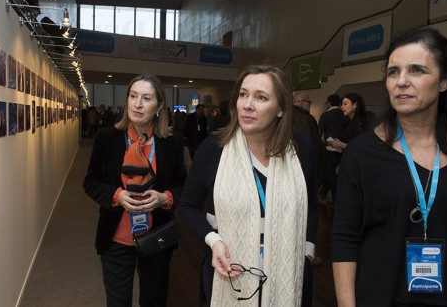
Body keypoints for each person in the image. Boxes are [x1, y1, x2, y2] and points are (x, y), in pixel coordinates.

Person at [331, 27, 447, 306]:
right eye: (393, 72)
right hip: (378, 296)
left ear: (445, 80)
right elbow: (345, 238)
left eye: (417, 70)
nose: (401, 81)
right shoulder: (362, 152)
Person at [179, 65, 319, 306]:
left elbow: (312, 207)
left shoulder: (300, 150)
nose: (247, 104)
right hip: (228, 270)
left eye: (261, 97)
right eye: (243, 94)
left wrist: (305, 253)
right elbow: (187, 206)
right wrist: (213, 241)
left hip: (288, 272)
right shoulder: (214, 149)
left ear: (280, 109)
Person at [83, 74, 187, 307]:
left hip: (156, 238)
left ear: (159, 106)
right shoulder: (107, 137)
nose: (138, 104)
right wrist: (116, 195)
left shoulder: (171, 142)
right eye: (133, 96)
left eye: (146, 98)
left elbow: (183, 186)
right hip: (116, 238)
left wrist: (165, 198)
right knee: (118, 302)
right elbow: (91, 182)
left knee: (154, 301)